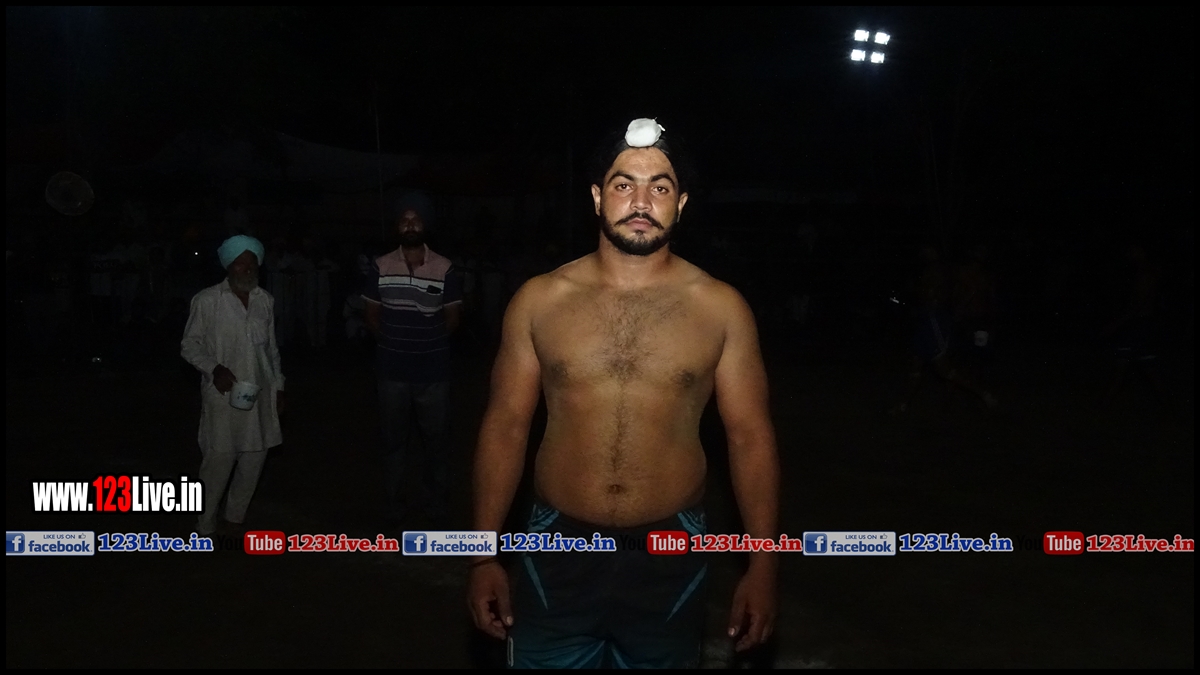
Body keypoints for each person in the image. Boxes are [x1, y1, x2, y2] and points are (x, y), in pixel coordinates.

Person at [468, 119, 780, 668]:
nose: (641, 202)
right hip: (556, 546)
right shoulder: (539, 300)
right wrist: (482, 555)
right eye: (623, 184)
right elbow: (505, 427)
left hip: (670, 550)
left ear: (681, 203)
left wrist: (763, 564)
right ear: (597, 197)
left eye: (659, 187)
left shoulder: (721, 308)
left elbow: (750, 438)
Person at [363, 193, 463, 526]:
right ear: (397, 226)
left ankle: (437, 503)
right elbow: (372, 314)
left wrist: (426, 344)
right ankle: (394, 504)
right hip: (391, 370)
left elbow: (452, 318)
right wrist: (392, 342)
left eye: (416, 220)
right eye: (404, 220)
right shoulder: (380, 265)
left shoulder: (444, 267)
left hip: (433, 371)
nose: (410, 225)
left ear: (425, 225)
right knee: (393, 442)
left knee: (436, 442)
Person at [181, 235, 285, 535]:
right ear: (228, 266)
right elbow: (189, 345)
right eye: (239, 264)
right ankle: (205, 523)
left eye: (251, 264)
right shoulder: (208, 300)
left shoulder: (265, 300)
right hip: (222, 393)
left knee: (255, 457)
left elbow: (271, 350)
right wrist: (213, 368)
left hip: (260, 392)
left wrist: (278, 386)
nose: (245, 269)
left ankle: (235, 518)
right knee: (219, 458)